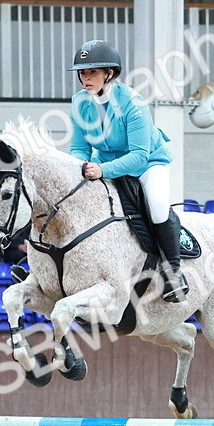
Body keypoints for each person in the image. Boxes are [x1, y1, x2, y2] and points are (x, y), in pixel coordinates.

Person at [67, 39, 189, 303]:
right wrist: (78, 167)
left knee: (157, 205)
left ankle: (174, 274)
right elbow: (78, 146)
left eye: (93, 73)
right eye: (83, 73)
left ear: (109, 73)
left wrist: (102, 170)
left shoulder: (133, 103)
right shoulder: (79, 103)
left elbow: (138, 155)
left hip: (147, 163)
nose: (86, 78)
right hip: (104, 163)